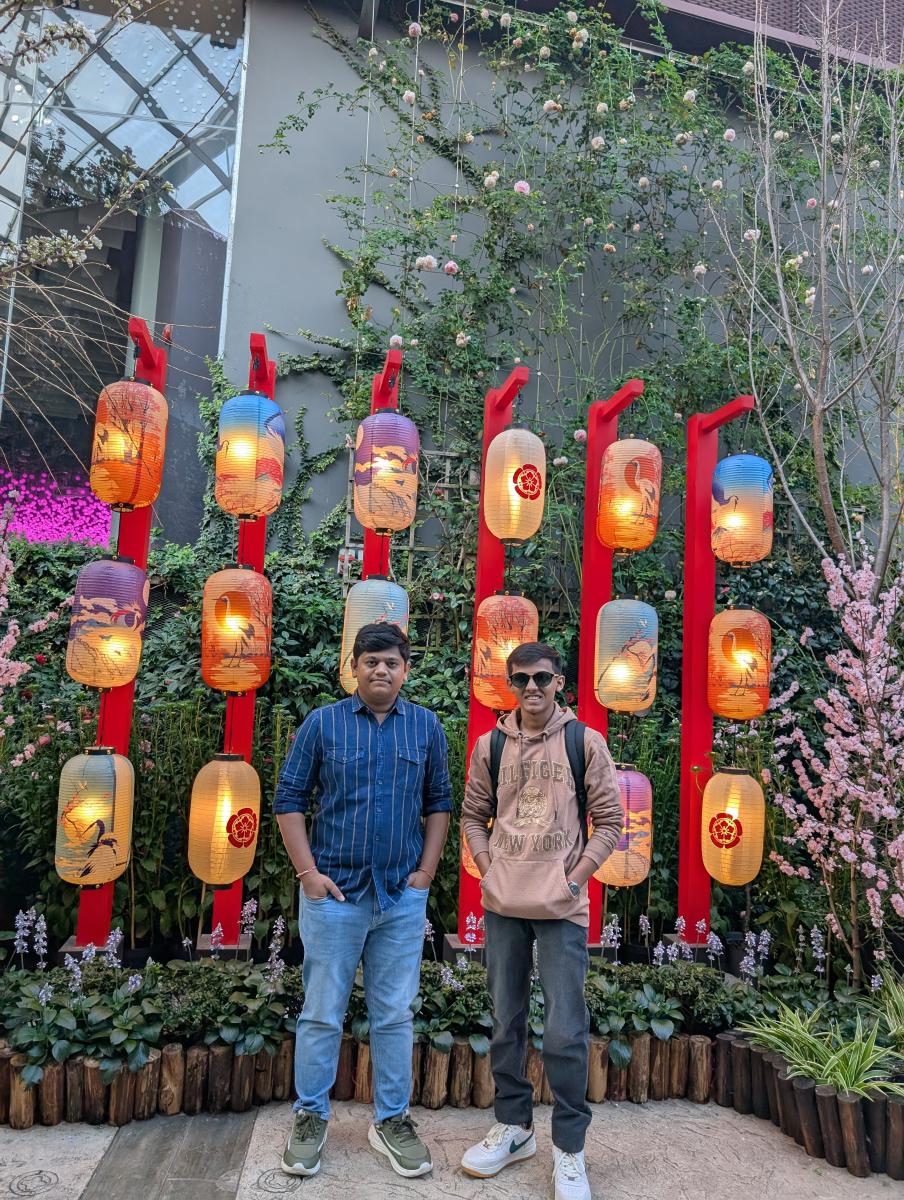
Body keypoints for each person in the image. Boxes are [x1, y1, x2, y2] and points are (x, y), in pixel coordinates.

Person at [274, 622, 451, 1180]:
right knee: (322, 1012)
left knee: (394, 1014)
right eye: (371, 661)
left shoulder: (425, 727)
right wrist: (308, 875)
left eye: (391, 662)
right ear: (353, 667)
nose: (381, 670)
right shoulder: (323, 724)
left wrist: (425, 874)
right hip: (335, 896)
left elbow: (440, 803)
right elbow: (288, 799)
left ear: (405, 670)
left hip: (399, 897)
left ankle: (391, 1120)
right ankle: (310, 1117)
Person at [460, 642, 624, 1200]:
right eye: (522, 679)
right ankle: (514, 1128)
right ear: (511, 684)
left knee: (564, 1030)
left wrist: (574, 879)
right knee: (505, 1021)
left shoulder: (584, 742)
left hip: (562, 909)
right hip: (504, 905)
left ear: (560, 683)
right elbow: (473, 815)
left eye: (543, 678)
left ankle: (569, 1150)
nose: (532, 687)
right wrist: (489, 870)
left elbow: (609, 821)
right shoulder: (490, 746)